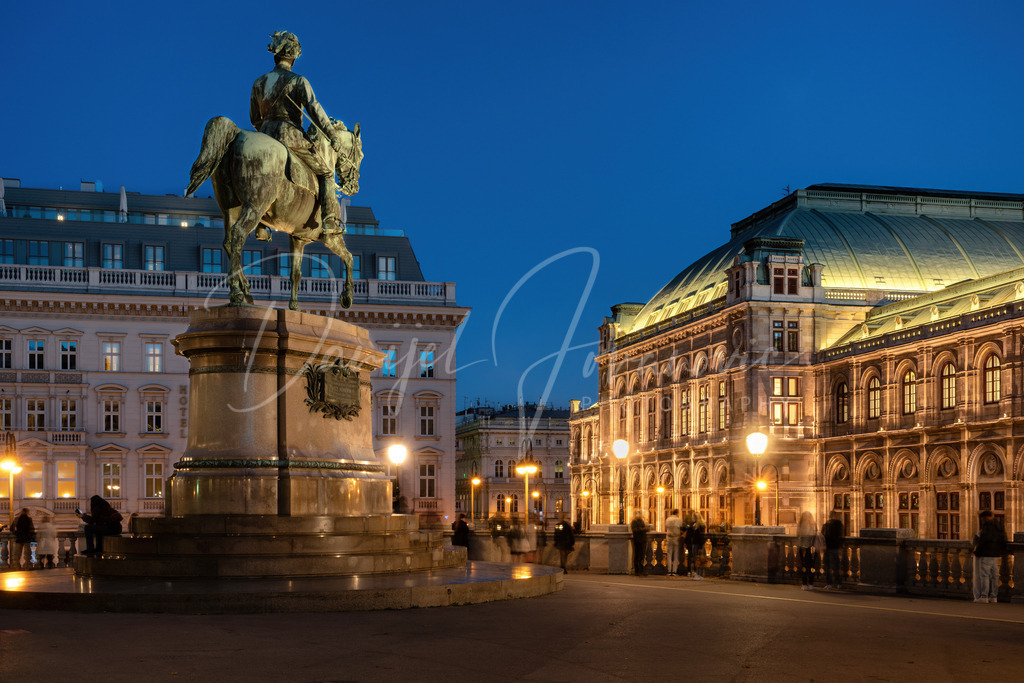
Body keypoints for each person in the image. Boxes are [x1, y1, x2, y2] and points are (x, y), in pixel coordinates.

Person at [250, 30, 344, 241]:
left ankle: (259, 223)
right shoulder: (299, 81)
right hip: (290, 136)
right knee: (327, 173)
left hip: (264, 136)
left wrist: (266, 130)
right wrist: (331, 134)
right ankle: (329, 220)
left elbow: (254, 119)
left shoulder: (258, 83)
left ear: (276, 56)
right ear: (293, 58)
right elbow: (314, 109)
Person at [972, 510, 1007, 603]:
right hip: (995, 554)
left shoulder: (987, 526)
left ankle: (984, 596)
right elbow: (1003, 538)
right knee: (994, 576)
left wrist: (978, 552)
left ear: (985, 518)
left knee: (985, 576)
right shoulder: (999, 525)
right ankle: (994, 596)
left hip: (987, 554)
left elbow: (984, 540)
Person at [821, 512, 844, 590]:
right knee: (837, 567)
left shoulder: (826, 525)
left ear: (829, 516)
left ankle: (829, 584)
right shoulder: (839, 524)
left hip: (828, 548)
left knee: (827, 567)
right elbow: (841, 536)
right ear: (835, 516)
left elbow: (822, 536)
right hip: (836, 547)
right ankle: (839, 584)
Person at [796, 511, 817, 591]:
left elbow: (797, 535)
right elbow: (814, 536)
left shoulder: (801, 524)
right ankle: (811, 584)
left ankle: (804, 584)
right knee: (811, 567)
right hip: (810, 549)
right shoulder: (813, 524)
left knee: (803, 567)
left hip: (802, 549)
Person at [689, 512, 706, 581]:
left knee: (699, 560)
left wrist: (701, 547)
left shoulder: (700, 526)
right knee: (698, 560)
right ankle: (699, 573)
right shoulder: (697, 525)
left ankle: (700, 574)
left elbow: (701, 537)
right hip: (697, 544)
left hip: (698, 545)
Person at [630, 511, 648, 576]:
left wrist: (645, 529)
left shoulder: (641, 521)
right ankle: (637, 570)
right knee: (637, 555)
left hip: (642, 540)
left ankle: (641, 569)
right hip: (638, 540)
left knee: (642, 555)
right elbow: (634, 530)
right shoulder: (634, 522)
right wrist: (643, 529)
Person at [665, 509, 682, 576]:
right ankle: (674, 571)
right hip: (676, 538)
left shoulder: (668, 519)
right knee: (676, 555)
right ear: (677, 513)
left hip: (669, 537)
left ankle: (669, 570)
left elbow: (666, 526)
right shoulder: (678, 520)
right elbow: (680, 526)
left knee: (669, 554)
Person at [682, 510, 698, 577]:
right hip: (694, 541)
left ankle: (689, 571)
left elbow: (683, 529)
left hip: (688, 541)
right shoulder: (695, 524)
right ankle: (694, 570)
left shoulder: (686, 525)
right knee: (694, 557)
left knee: (689, 556)